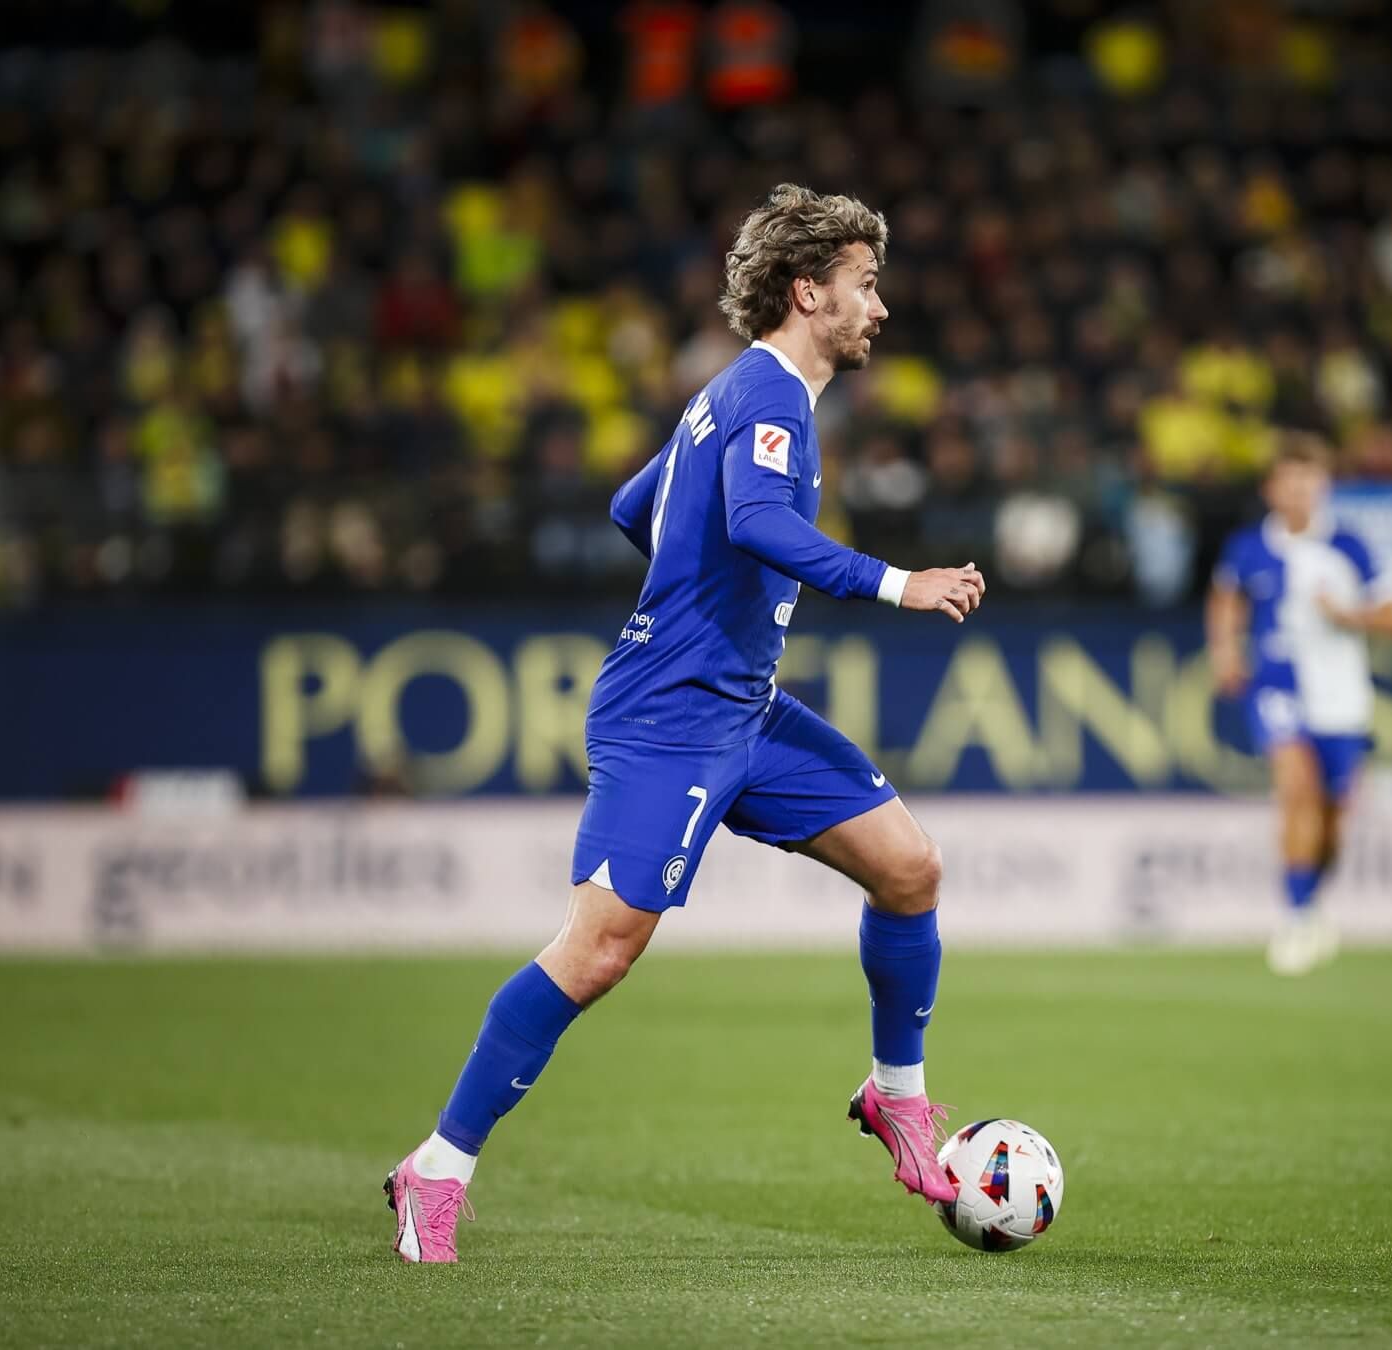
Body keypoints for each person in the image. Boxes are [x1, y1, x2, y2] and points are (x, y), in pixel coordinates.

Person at [385, 185, 988, 1263]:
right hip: (670, 717)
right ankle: (437, 1167)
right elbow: (756, 522)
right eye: (864, 286)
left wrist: (692, 592)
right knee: (599, 951)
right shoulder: (767, 400)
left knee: (909, 869)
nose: (878, 309)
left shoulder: (731, 397)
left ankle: (898, 1096)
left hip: (741, 705)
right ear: (810, 292)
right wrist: (901, 584)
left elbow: (636, 507)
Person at [1206, 434, 1392, 976]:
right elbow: (1226, 601)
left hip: (1342, 694)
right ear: (1271, 488)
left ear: (1322, 486)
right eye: (1289, 480)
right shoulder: (1249, 546)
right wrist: (1226, 652)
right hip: (1279, 682)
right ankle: (1296, 918)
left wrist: (1351, 617)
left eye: (1309, 480)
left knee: (1333, 816)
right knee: (1295, 787)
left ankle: (1311, 900)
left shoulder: (1349, 546)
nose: (1299, 491)